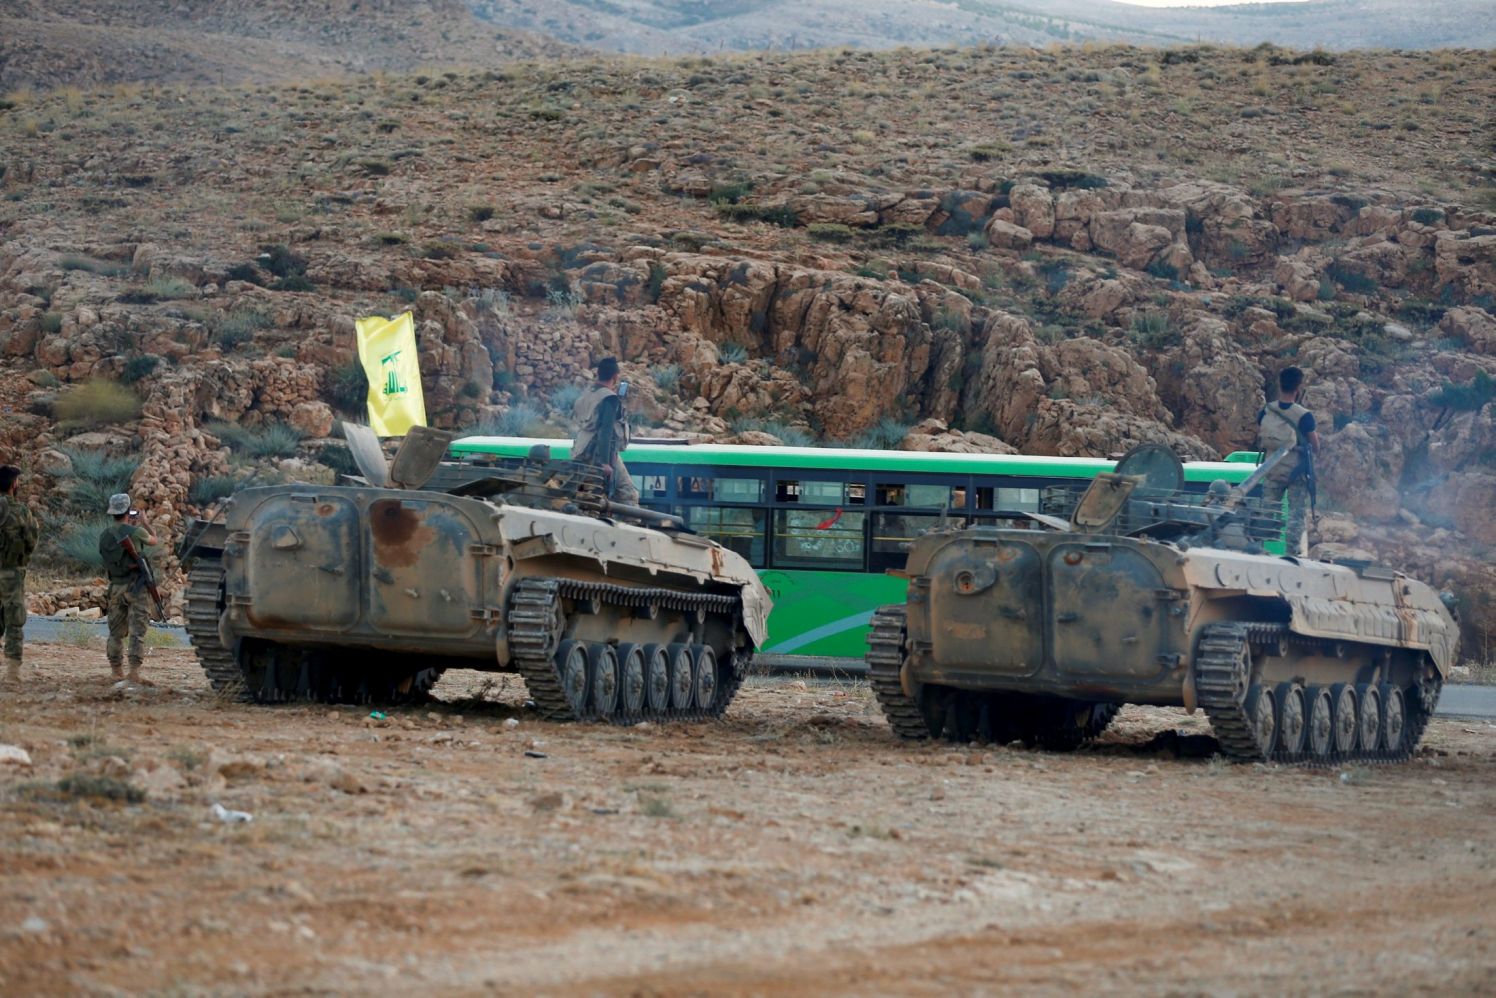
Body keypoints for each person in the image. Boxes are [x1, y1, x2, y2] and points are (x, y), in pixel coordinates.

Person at [1256, 366, 1321, 556]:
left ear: (1280, 386)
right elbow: (1315, 446)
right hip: (1296, 472)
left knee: (1267, 510)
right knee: (1295, 514)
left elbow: (1261, 436)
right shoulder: (1304, 415)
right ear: (1298, 389)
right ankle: (1291, 553)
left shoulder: (1267, 411)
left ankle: (1257, 549)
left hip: (1272, 468)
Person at [98, 493, 159, 684]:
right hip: (136, 588)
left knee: (115, 632)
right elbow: (154, 540)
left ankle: (116, 671)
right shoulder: (136, 532)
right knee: (137, 631)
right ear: (127, 510)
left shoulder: (105, 535)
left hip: (115, 586)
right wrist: (145, 523)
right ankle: (133, 671)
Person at [571, 357, 640, 504]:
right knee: (629, 495)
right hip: (601, 454)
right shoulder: (609, 398)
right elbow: (606, 430)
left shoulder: (588, 393)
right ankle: (628, 526)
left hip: (582, 449)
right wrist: (605, 463)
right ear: (615, 377)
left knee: (589, 495)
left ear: (598, 373)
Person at [0, 465, 40, 688]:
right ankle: (13, 673)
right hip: (11, 574)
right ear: (14, 484)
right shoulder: (22, 512)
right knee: (14, 622)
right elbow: (32, 541)